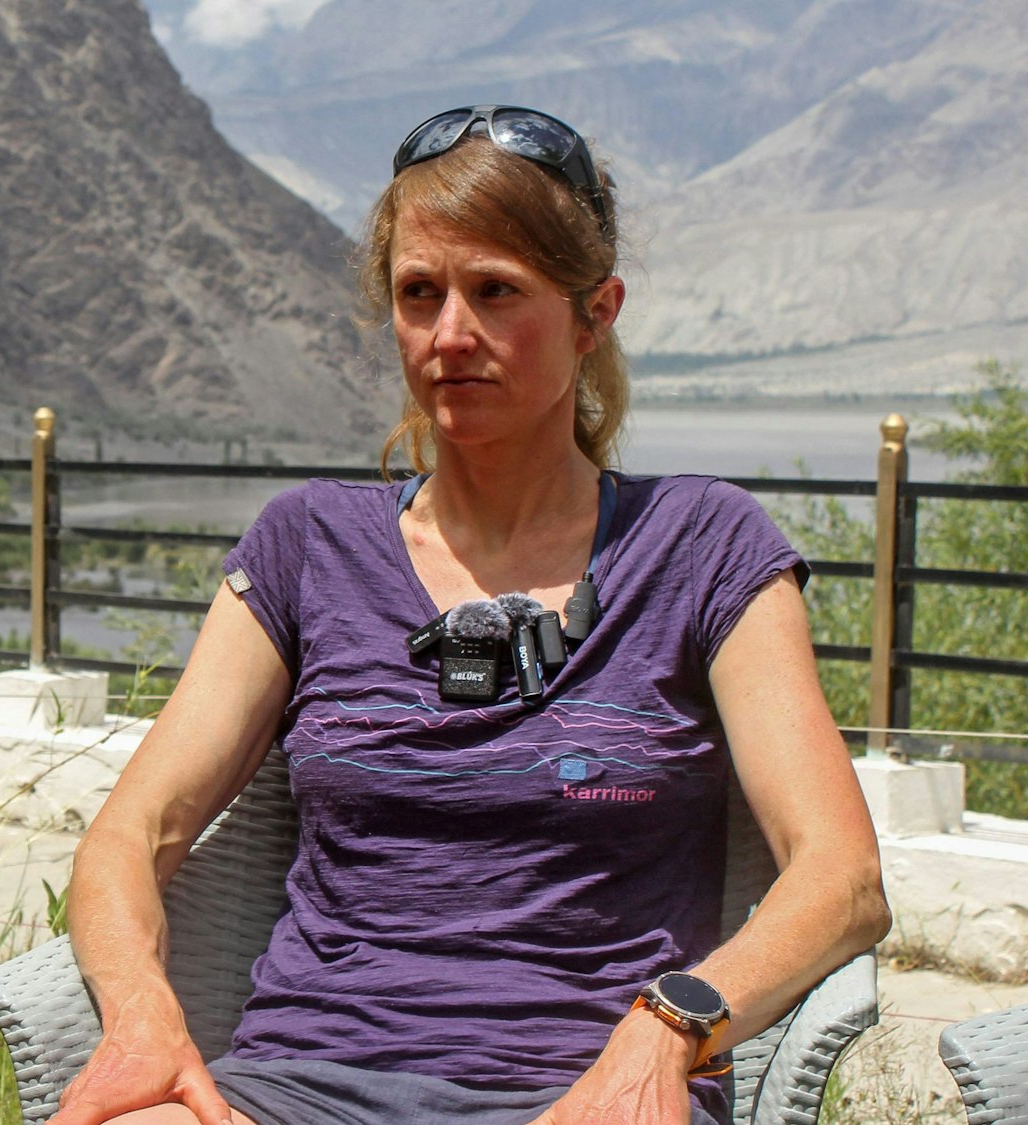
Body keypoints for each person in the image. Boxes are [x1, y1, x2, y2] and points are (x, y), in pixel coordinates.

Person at [50, 105, 891, 1125]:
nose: (450, 335)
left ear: (594, 313)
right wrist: (143, 1020)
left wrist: (666, 1029)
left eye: (495, 291)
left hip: (588, 1092)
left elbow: (840, 879)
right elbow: (130, 836)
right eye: (418, 294)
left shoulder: (702, 548)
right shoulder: (306, 545)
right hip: (296, 1088)